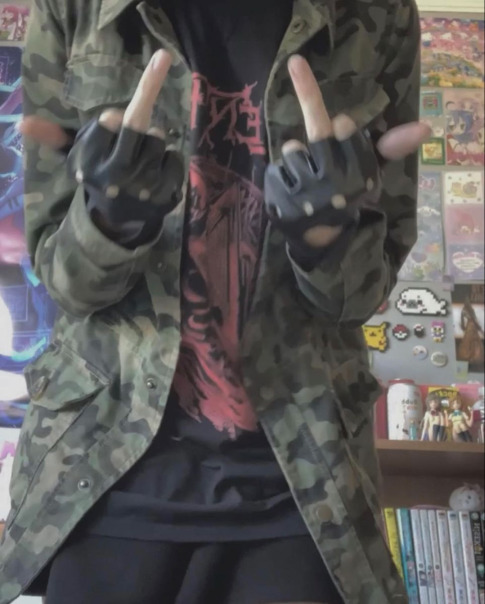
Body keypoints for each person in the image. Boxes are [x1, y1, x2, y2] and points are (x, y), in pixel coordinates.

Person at [0, 0, 429, 602]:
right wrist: (108, 225)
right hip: (102, 474)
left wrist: (328, 241)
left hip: (305, 490)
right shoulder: (74, 8)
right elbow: (66, 284)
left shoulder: (378, 13)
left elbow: (360, 298)